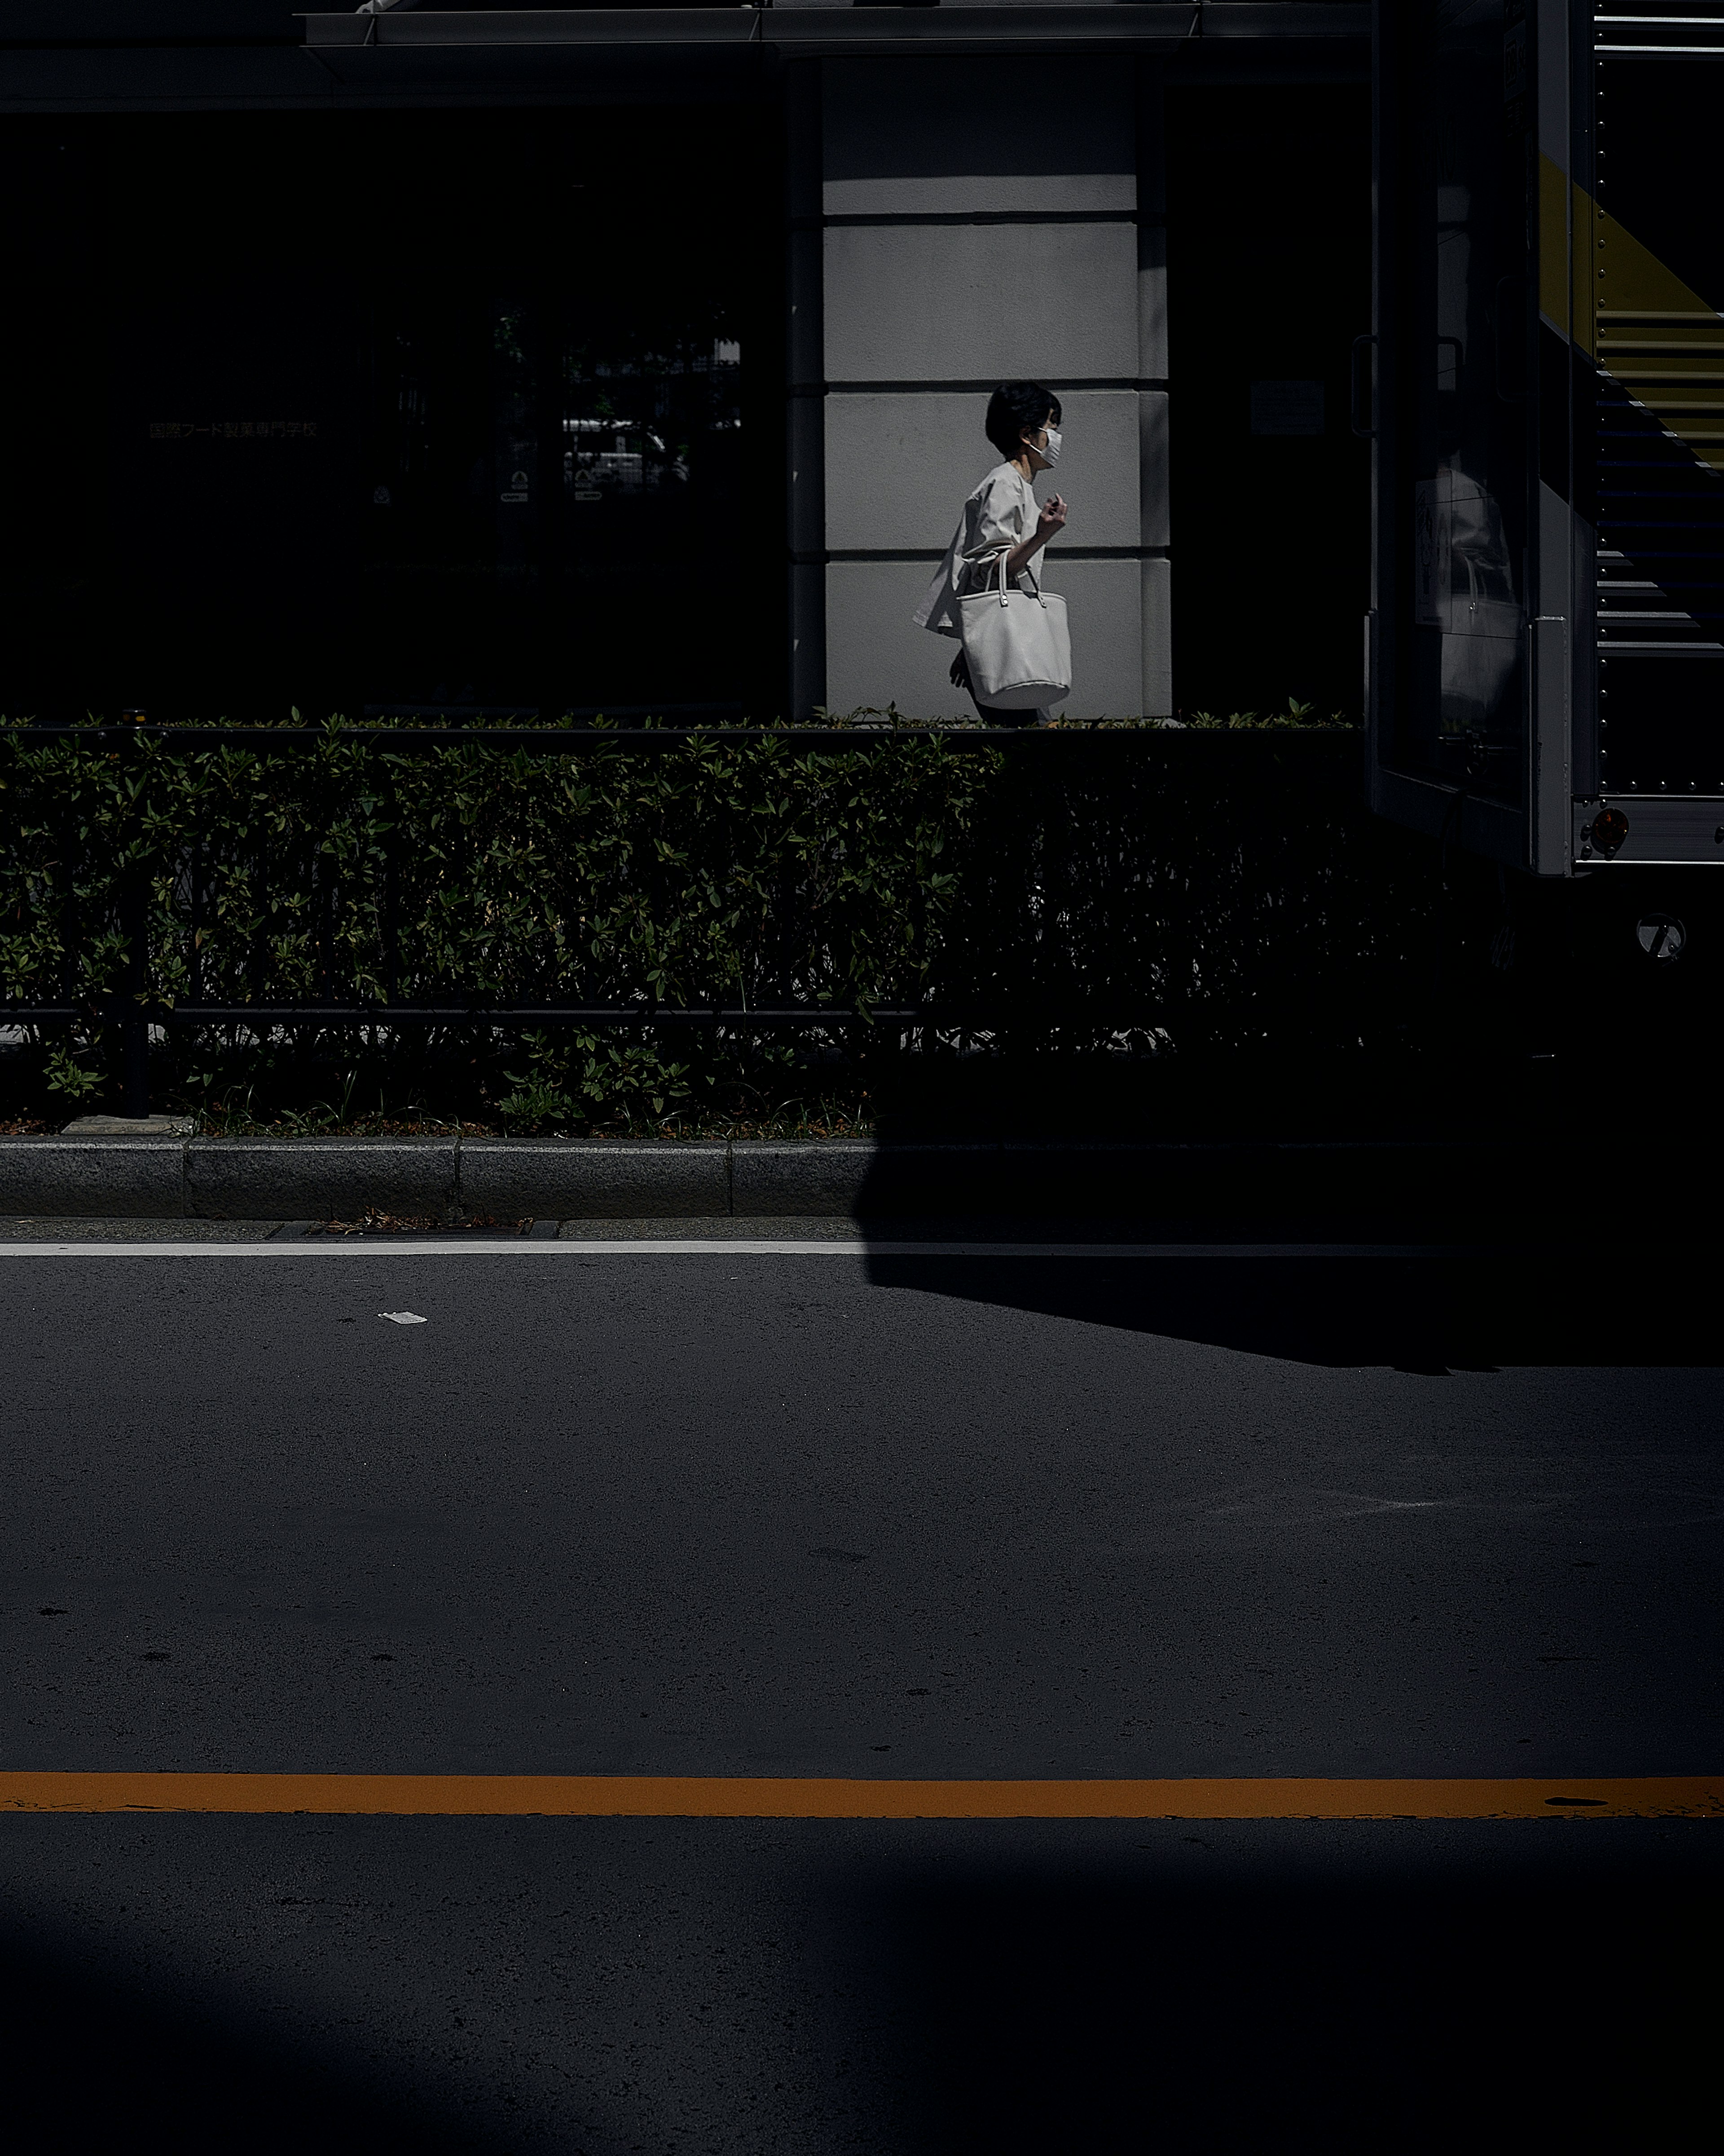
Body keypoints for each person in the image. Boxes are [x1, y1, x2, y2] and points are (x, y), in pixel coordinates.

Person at [913, 382, 1069, 725]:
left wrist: (971, 647)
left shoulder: (1019, 487)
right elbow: (990, 567)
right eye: (1052, 428)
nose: (1056, 437)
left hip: (1010, 646)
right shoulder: (1005, 484)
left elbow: (995, 581)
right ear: (1028, 434)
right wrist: (1043, 534)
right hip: (1009, 653)